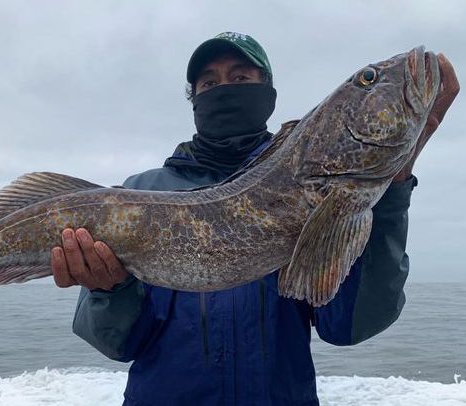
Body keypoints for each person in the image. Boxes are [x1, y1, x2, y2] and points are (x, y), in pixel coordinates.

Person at [50, 33, 459, 405]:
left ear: (268, 92)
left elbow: (348, 327)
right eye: (209, 83)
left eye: (241, 77)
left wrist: (389, 192)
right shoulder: (138, 193)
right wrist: (111, 291)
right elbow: (116, 344)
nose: (224, 88)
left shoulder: (324, 192)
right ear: (193, 98)